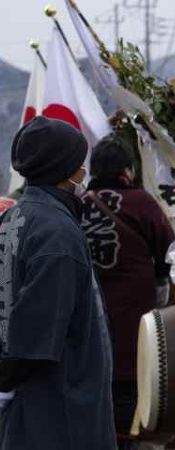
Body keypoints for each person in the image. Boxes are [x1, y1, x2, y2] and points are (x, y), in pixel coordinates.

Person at [0, 116, 116, 449]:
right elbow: (36, 339)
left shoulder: (14, 217)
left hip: (26, 408)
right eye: (81, 163)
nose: (84, 170)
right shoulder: (57, 235)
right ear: (67, 170)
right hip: (58, 411)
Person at [80, 135, 175, 446]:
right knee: (128, 386)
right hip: (134, 318)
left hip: (86, 316)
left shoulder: (77, 204)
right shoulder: (142, 202)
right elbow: (169, 253)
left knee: (93, 383)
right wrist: (161, 284)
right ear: (127, 169)